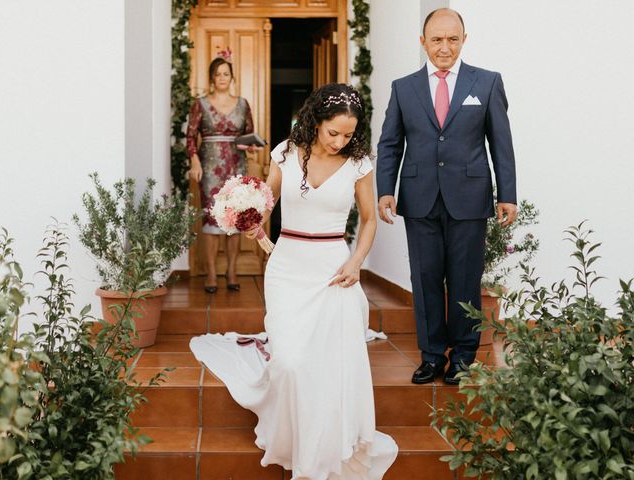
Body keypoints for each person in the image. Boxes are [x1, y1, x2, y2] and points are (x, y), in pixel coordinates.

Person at [190, 83, 398, 479]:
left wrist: (356, 262)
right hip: (287, 267)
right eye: (333, 132)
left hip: (335, 270)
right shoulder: (285, 153)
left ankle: (322, 448)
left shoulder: (359, 164)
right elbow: (265, 201)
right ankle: (289, 437)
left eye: (349, 135)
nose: (340, 141)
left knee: (328, 364)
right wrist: (252, 224)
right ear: (316, 122)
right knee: (289, 362)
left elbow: (369, 219)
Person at [376, 8, 517, 385]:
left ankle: (464, 356)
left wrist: (508, 194)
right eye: (436, 39)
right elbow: (390, 143)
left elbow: (500, 143)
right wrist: (385, 189)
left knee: (465, 280)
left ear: (464, 40)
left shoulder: (486, 83)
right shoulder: (403, 88)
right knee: (424, 279)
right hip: (419, 196)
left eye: (452, 39)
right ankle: (433, 355)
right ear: (423, 42)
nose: (444, 47)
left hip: (469, 198)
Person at [187, 51, 260, 293]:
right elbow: (190, 137)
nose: (222, 77)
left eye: (225, 74)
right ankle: (210, 274)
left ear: (231, 77)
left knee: (234, 219)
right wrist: (194, 162)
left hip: (235, 167)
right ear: (211, 78)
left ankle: (231, 271)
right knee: (211, 220)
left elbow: (248, 135)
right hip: (209, 168)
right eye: (217, 74)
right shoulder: (200, 104)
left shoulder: (242, 104)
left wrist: (250, 146)